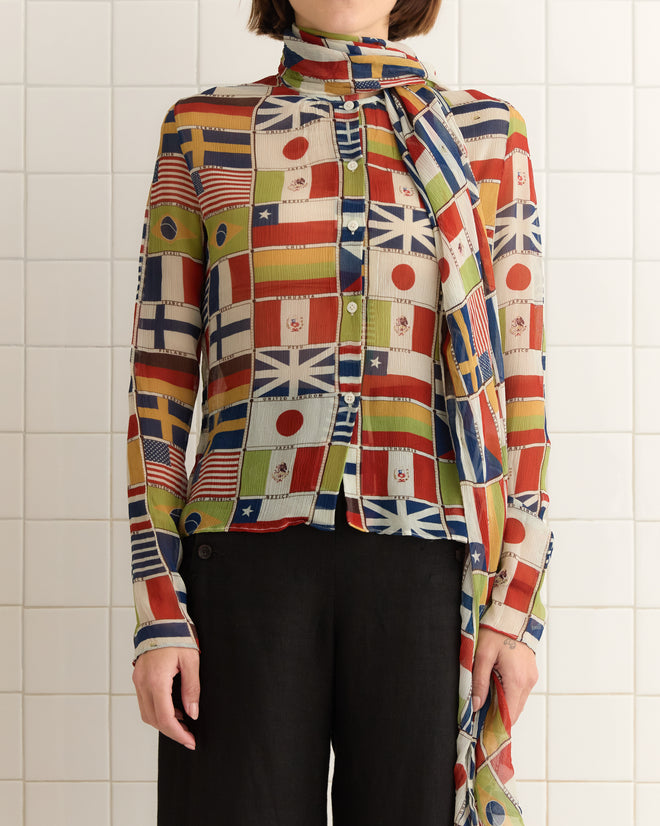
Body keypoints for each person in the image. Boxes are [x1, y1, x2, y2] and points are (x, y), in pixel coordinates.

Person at [126, 1, 554, 824]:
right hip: (240, 572)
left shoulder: (488, 135)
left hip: (430, 571)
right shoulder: (203, 129)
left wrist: (517, 604)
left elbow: (522, 376)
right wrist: (159, 606)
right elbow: (160, 382)